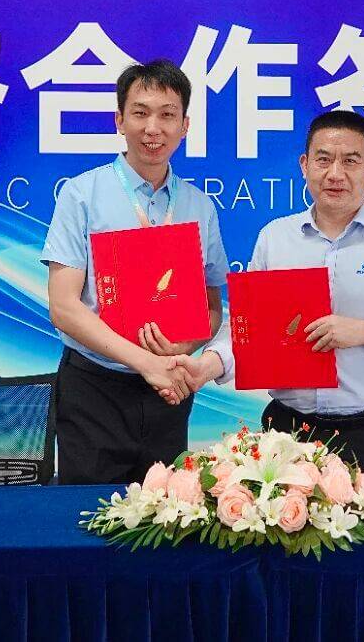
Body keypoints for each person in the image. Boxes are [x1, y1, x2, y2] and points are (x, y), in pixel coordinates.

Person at [174, 109, 364, 480]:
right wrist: (207, 366)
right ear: (304, 165)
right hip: (287, 434)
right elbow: (249, 329)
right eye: (323, 160)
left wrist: (362, 331)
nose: (335, 174)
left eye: (350, 161)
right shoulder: (275, 237)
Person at [42, 59, 227, 484]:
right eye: (140, 113)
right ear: (119, 120)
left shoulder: (199, 206)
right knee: (89, 515)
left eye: (167, 115)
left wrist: (183, 345)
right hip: (94, 390)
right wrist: (144, 362)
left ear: (185, 125)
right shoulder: (82, 194)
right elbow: (63, 307)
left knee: (169, 513)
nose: (153, 128)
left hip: (169, 389)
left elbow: (212, 306)